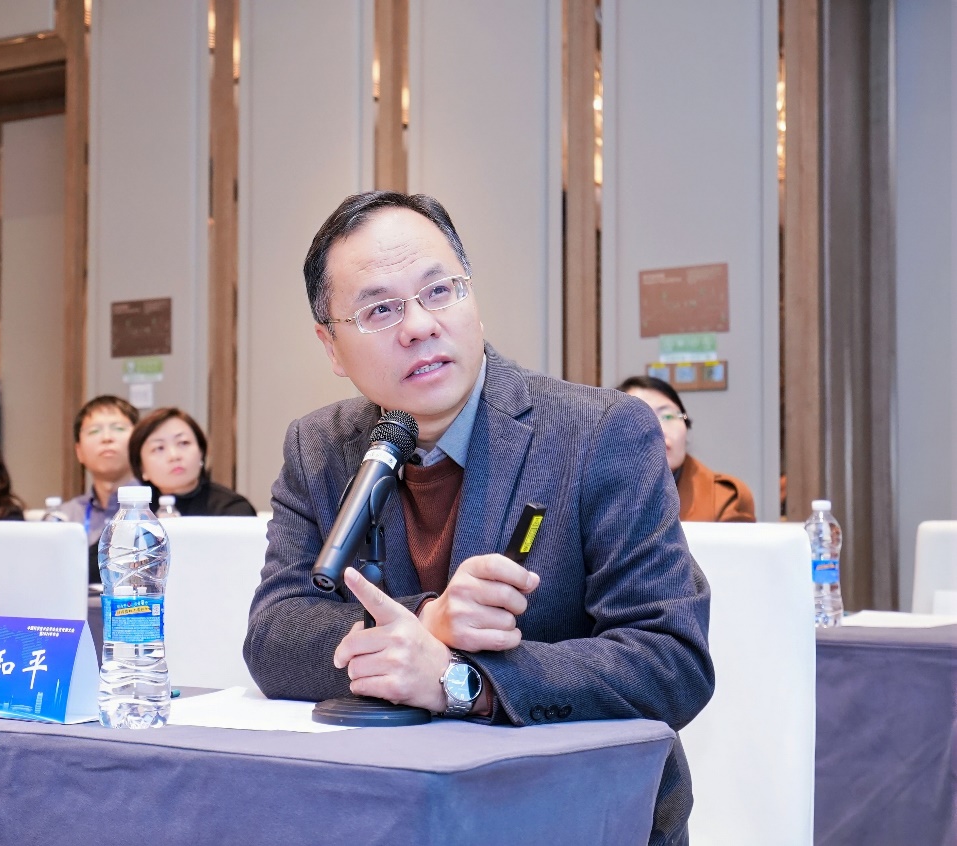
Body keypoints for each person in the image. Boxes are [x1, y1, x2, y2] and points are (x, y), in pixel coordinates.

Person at [243, 192, 713, 846]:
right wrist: (428, 619)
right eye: (379, 309)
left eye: (439, 291)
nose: (418, 325)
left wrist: (457, 680)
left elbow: (670, 663)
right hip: (382, 815)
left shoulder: (601, 433)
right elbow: (273, 638)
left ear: (473, 299)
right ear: (331, 346)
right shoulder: (318, 446)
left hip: (569, 816)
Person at [617, 375, 756, 523]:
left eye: (668, 416)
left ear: (686, 426)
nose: (658, 429)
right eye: (639, 418)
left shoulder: (725, 498)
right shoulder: (599, 498)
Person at [57, 395, 140, 581]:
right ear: (79, 452)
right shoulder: (65, 517)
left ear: (138, 443)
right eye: (94, 431)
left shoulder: (157, 511)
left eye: (119, 428)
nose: (107, 438)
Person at [128, 407, 256, 517]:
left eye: (183, 443)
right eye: (159, 448)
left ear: (201, 453)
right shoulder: (133, 512)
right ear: (141, 468)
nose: (174, 456)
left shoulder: (231, 508)